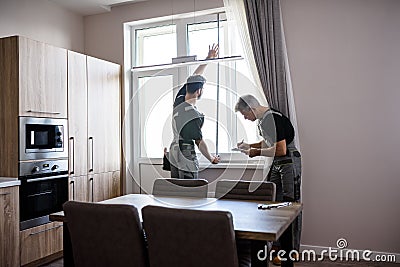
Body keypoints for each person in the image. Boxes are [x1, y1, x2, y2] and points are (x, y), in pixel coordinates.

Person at [235, 94, 302, 265]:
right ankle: (277, 250)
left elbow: (280, 149)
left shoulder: (273, 118)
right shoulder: (263, 121)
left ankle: (289, 254)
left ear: (251, 108)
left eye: (244, 114)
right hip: (277, 163)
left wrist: (255, 153)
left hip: (287, 162)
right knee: (273, 204)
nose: (245, 118)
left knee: (287, 207)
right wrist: (249, 146)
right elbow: (267, 143)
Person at [168, 44, 220, 179]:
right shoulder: (193, 114)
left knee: (175, 192)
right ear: (199, 91)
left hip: (173, 152)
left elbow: (195, 76)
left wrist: (208, 58)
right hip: (185, 152)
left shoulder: (178, 102)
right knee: (189, 193)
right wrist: (211, 158)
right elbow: (199, 142)